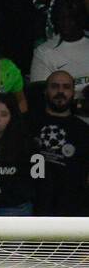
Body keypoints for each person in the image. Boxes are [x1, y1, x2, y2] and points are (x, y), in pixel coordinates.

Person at [27, 71, 89, 218]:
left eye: (66, 87)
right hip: (31, 209)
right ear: (45, 91)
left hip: (71, 211)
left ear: (73, 93)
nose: (60, 91)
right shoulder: (27, 123)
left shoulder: (83, 130)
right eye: (55, 86)